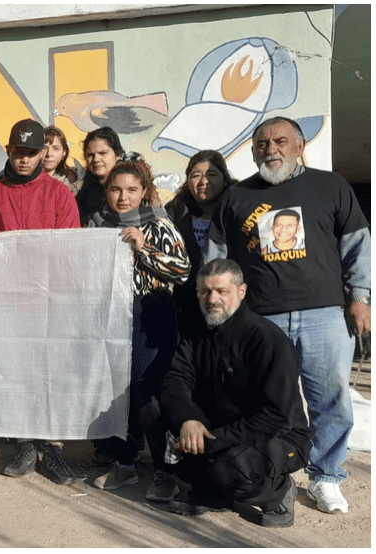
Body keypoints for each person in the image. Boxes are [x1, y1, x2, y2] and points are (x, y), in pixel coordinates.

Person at [207, 116, 370, 515]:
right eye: (262, 144)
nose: (271, 149)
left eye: (280, 141)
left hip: (325, 315)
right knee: (263, 402)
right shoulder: (236, 197)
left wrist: (362, 297)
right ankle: (270, 474)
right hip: (262, 320)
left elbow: (357, 246)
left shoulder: (330, 186)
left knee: (330, 400)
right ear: (252, 150)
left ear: (300, 146)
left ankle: (326, 478)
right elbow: (216, 259)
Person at [142, 258, 311, 528]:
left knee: (227, 469)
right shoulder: (196, 330)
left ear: (241, 292)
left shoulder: (267, 340)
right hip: (220, 428)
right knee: (153, 412)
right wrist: (189, 420)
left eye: (222, 291)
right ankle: (211, 491)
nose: (213, 298)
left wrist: (211, 441)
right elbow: (175, 379)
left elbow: (277, 417)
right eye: (206, 291)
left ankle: (278, 491)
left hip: (278, 436)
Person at [0, 119, 80, 484]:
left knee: (50, 372)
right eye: (18, 152)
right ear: (8, 151)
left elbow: (68, 249)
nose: (24, 160)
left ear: (42, 154)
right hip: (10, 300)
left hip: (49, 299)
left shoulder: (59, 194)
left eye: (32, 153)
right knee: (18, 372)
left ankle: (51, 449)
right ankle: (24, 443)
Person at [87, 153, 190, 490]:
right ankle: (125, 462)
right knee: (117, 390)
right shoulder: (97, 225)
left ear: (144, 191)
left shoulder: (159, 224)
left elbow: (183, 270)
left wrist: (143, 249)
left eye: (131, 189)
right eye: (116, 189)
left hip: (153, 314)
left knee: (150, 392)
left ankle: (166, 470)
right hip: (112, 317)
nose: (123, 197)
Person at [165, 150, 237, 335]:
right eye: (196, 175)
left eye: (212, 174)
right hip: (187, 312)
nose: (204, 181)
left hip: (230, 310)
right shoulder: (175, 212)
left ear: (225, 177)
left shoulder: (238, 210)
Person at [74, 127, 124, 227]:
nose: (96, 159)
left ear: (118, 155)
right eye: (90, 155)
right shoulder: (79, 191)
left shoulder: (136, 185)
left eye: (102, 153)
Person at [41, 125, 81, 195]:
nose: (49, 154)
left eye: (55, 148)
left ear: (64, 153)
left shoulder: (75, 180)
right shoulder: (26, 180)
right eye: (44, 148)